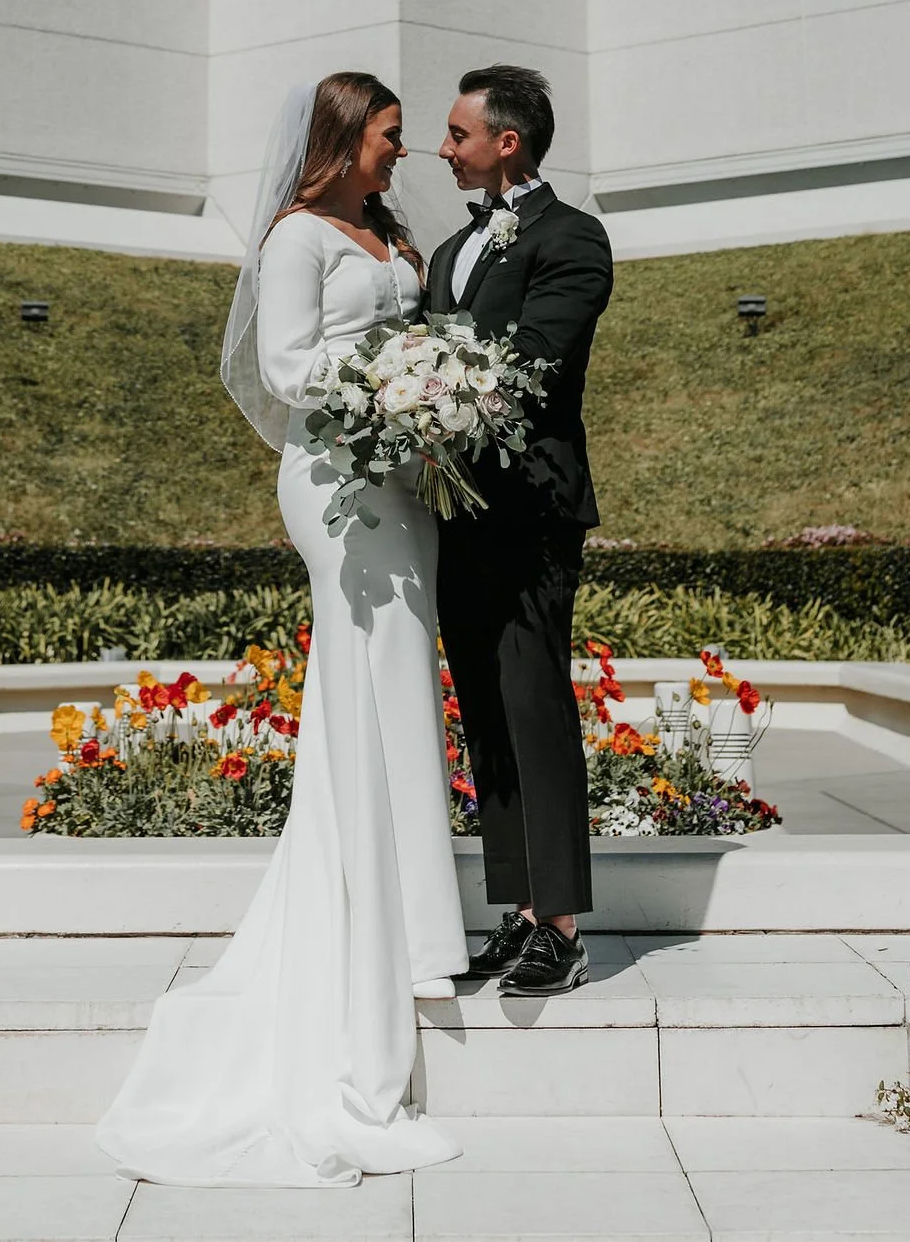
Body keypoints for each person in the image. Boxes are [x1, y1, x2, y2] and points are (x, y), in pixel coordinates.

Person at [95, 72, 466, 1188]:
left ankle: (413, 915)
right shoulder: (297, 238)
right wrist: (400, 383)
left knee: (401, 681)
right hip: (337, 481)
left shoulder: (384, 232)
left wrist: (438, 387)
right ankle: (378, 924)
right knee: (373, 678)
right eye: (392, 137)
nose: (404, 154)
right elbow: (284, 366)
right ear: (346, 138)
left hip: (403, 477)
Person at [431, 63, 614, 995]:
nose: (442, 147)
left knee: (533, 699)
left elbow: (536, 358)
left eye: (458, 134)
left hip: (534, 508)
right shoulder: (445, 251)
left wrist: (427, 378)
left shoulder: (574, 239)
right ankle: (517, 911)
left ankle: (564, 926)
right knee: (482, 705)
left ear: (508, 142)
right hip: (452, 509)